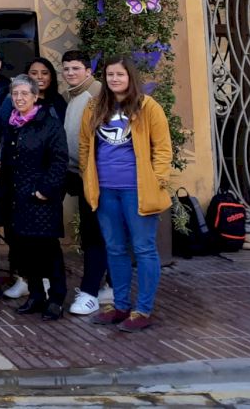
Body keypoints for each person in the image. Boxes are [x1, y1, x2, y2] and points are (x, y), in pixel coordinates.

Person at [80, 56, 172, 333]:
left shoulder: (148, 106)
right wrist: (87, 178)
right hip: (105, 190)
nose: (114, 79)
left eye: (120, 74)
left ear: (130, 77)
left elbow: (163, 149)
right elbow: (85, 146)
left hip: (138, 190)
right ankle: (120, 306)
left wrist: (157, 180)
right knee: (115, 248)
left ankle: (142, 310)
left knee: (144, 249)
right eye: (110, 75)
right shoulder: (94, 106)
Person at [0, 75, 68, 320]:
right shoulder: (12, 124)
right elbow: (10, 158)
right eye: (15, 94)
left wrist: (45, 189)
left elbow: (59, 161)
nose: (19, 98)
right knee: (25, 250)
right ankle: (36, 295)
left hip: (40, 199)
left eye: (25, 93)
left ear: (35, 96)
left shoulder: (49, 124)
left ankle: (56, 298)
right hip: (17, 199)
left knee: (48, 250)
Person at [61, 48, 110, 316]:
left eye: (76, 69)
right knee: (97, 232)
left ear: (88, 70)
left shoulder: (97, 94)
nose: (70, 73)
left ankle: (90, 292)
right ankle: (108, 286)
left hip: (95, 177)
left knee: (95, 234)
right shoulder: (74, 95)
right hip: (78, 174)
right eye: (66, 69)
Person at [27, 57, 68, 123]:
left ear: (51, 77)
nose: (40, 77)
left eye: (45, 73)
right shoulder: (21, 100)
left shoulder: (58, 99)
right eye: (34, 73)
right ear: (26, 77)